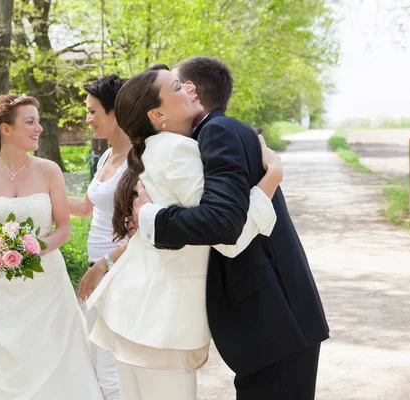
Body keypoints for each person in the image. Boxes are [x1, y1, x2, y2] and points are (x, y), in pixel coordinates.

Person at [133, 57, 330, 400]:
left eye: (180, 83)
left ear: (195, 89)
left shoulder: (217, 130)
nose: (183, 90)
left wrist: (152, 219)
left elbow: (225, 223)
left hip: (275, 316)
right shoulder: (215, 132)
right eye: (176, 87)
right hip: (278, 315)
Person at [86, 67, 283, 400]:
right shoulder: (179, 151)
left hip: (133, 310)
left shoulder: (149, 150)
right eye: (177, 87)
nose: (189, 88)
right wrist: (271, 180)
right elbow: (226, 234)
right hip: (159, 320)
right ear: (158, 114)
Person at [0, 93, 103, 400]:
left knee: (51, 351)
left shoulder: (49, 170)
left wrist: (34, 248)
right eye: (30, 122)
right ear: (5, 128)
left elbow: (64, 228)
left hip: (47, 283)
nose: (39, 128)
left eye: (38, 121)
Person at [68, 75, 130, 399]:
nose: (88, 119)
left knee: (110, 368)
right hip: (100, 269)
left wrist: (103, 266)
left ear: (115, 112)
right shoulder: (106, 156)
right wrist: (32, 197)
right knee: (97, 361)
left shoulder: (138, 161)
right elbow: (84, 207)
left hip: (120, 273)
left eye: (93, 111)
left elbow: (143, 232)